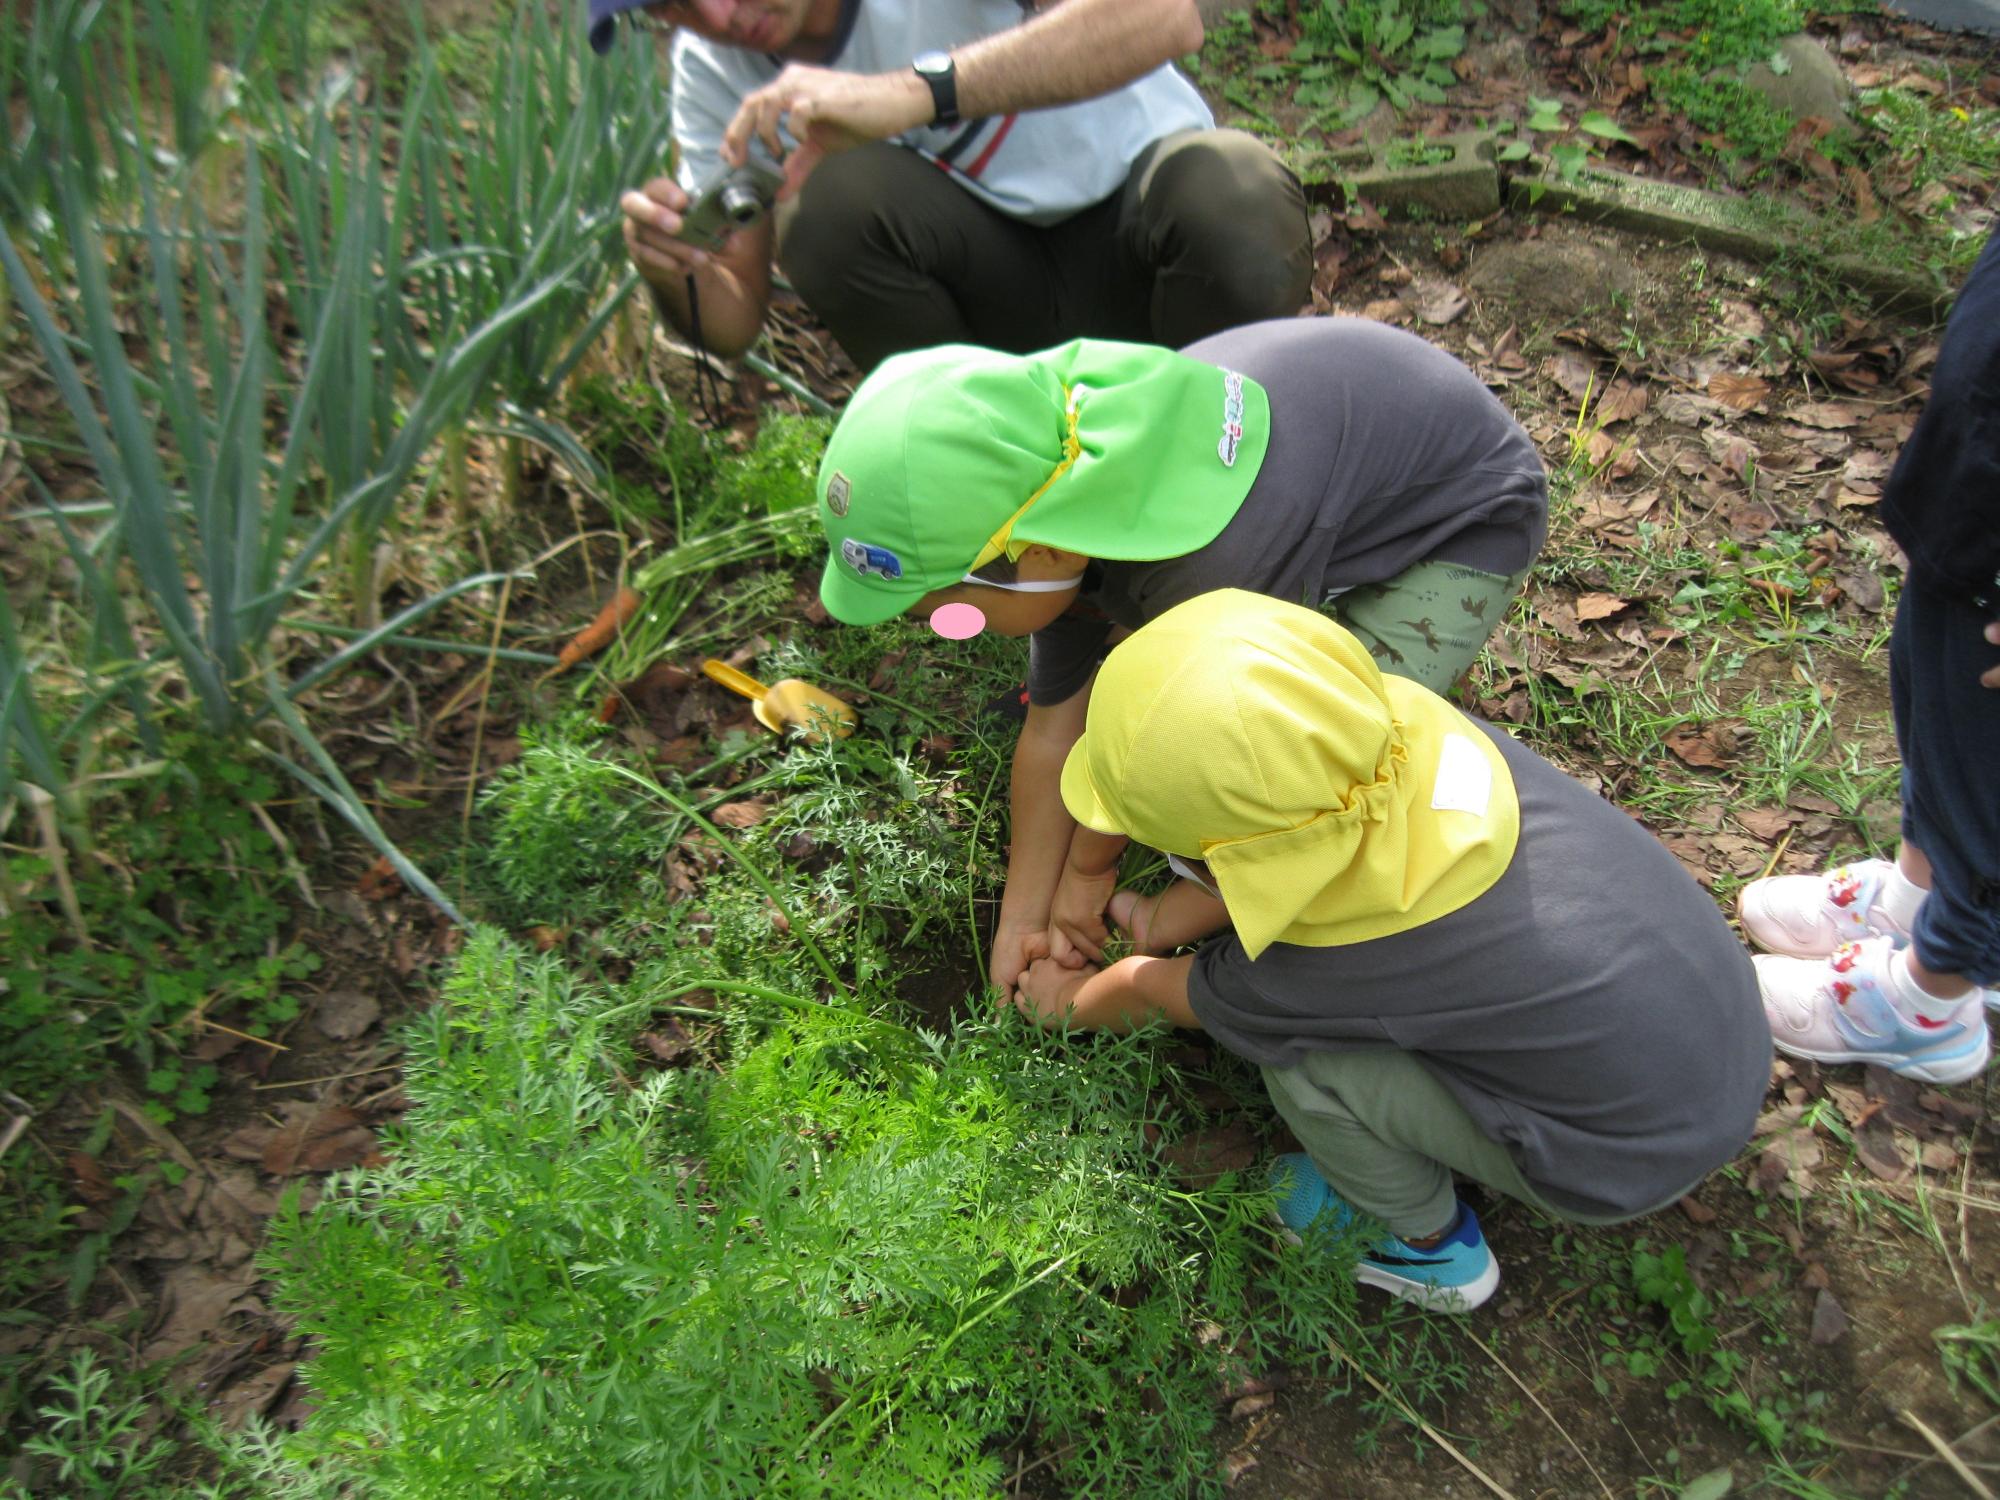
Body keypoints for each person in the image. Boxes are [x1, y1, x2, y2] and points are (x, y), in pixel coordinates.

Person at [1006, 588, 1771, 1311]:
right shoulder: (1415, 740)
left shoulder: (1306, 972)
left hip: (1627, 1157)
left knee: (1307, 1071)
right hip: (1727, 1025)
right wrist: (1158, 916)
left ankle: (1429, 1246)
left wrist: (1062, 1004)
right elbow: (1303, 840)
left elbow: (1151, 994)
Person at [811, 317, 1549, 998]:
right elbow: (1052, 730)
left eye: (953, 614)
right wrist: (1023, 917)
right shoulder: (1065, 499)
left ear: (1040, 551)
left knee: (1317, 756)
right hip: (1324, 482)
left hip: (1460, 522)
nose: (953, 629)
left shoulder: (1208, 560)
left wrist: (1086, 872)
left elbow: (1161, 737)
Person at [588, 0, 1311, 370]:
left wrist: (916, 92)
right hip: (1003, 313)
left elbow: (1162, 17)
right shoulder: (710, 67)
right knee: (824, 206)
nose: (720, 18)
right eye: (673, 5)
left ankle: (1233, 465)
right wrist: (673, 270)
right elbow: (733, 322)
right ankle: (1020, 524)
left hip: (1148, 253)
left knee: (1233, 189)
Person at [1738, 227, 2000, 1085]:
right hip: (1975, 506)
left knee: (1990, 796)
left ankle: (1932, 1003)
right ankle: (1914, 897)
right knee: (1937, 699)